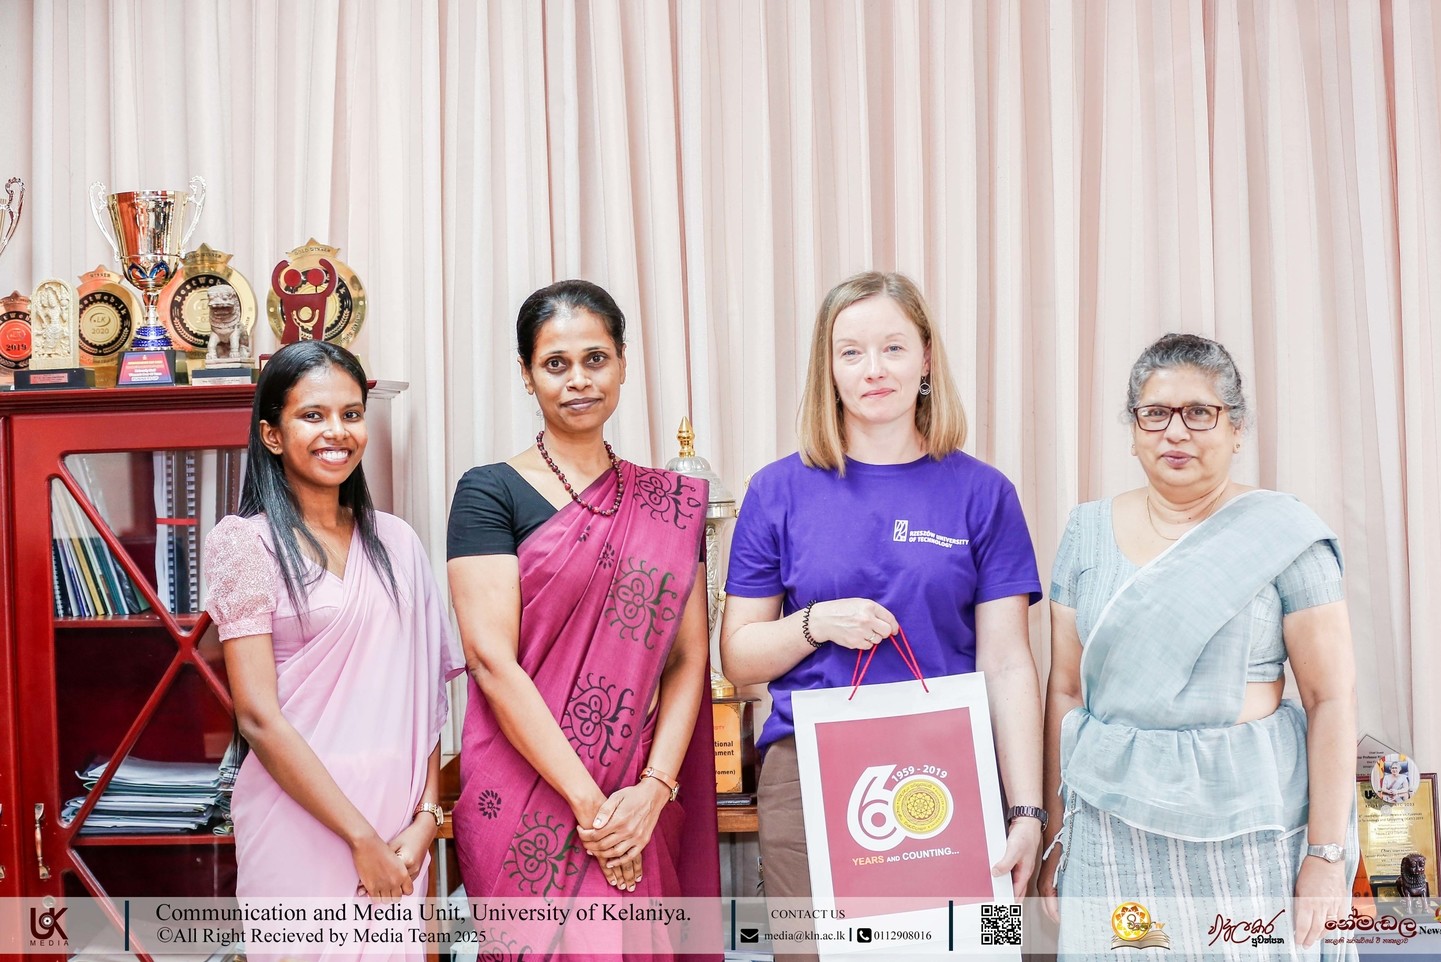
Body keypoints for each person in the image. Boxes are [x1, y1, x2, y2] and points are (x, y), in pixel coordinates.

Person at [721, 271, 1045, 941]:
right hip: (809, 773)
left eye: (893, 348)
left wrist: (1027, 812)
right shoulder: (776, 491)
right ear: (828, 368)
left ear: (926, 359)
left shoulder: (984, 493)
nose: (874, 369)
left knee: (965, 954)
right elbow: (739, 658)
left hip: (950, 770)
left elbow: (1010, 663)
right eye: (852, 351)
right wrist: (816, 624)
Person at [1040, 333, 1358, 958]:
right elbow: (1066, 690)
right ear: (1134, 430)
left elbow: (1330, 698)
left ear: (1236, 428)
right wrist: (1058, 836)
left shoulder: (1283, 533)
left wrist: (1326, 855)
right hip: (1108, 826)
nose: (1175, 432)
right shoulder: (1086, 532)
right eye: (1155, 414)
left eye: (1199, 413)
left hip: (1246, 830)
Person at [446, 280, 718, 958]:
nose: (578, 380)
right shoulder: (488, 492)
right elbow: (490, 662)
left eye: (595, 359)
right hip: (526, 790)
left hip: (636, 795)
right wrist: (593, 811)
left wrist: (652, 791)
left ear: (623, 363)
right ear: (527, 374)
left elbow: (689, 657)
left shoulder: (668, 506)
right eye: (555, 364)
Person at [202, 340, 462, 953]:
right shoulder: (244, 544)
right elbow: (258, 718)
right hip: (299, 823)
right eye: (312, 415)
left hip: (398, 832)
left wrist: (426, 819)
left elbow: (426, 700)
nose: (337, 432)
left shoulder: (397, 542)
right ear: (272, 435)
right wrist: (360, 839)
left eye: (351, 414)